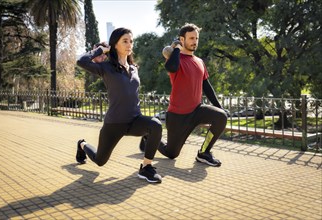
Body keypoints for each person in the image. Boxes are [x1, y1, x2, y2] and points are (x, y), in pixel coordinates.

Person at [76, 27, 162, 183]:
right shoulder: (106, 68)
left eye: (131, 41)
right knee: (100, 160)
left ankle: (146, 167)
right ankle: (82, 145)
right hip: (114, 123)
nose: (129, 44)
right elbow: (81, 61)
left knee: (155, 125)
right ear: (115, 45)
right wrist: (101, 50)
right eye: (125, 41)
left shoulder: (134, 68)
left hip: (135, 120)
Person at [140, 23, 227, 167]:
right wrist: (177, 50)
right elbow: (171, 67)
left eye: (196, 38)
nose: (194, 41)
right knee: (171, 153)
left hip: (197, 110)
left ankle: (204, 153)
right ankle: (148, 136)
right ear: (182, 39)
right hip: (177, 115)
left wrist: (219, 107)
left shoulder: (199, 61)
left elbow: (206, 86)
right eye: (191, 38)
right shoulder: (175, 58)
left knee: (221, 117)